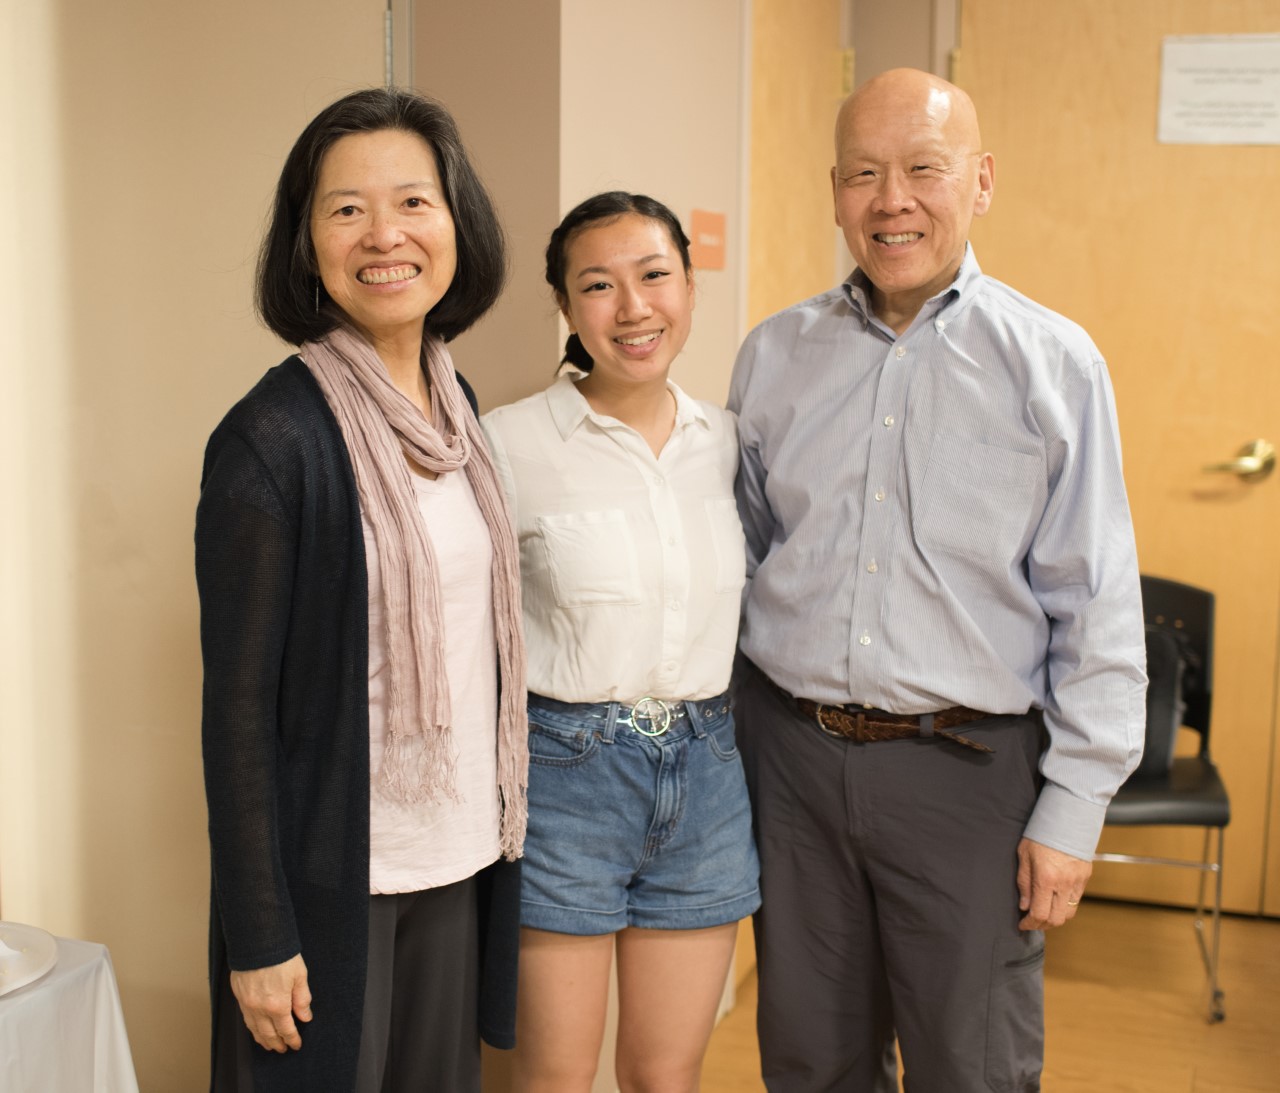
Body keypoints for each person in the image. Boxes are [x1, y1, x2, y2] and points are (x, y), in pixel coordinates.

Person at [727, 68, 1147, 1091]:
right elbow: (736, 561)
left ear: (981, 181)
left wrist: (1071, 809)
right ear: (834, 191)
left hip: (967, 774)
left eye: (923, 168)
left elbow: (1094, 600)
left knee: (973, 1065)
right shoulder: (772, 356)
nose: (891, 200)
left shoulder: (1053, 362)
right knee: (808, 1058)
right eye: (862, 174)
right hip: (789, 764)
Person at [195, 87, 528, 1093]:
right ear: (307, 243)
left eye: (412, 203)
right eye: (345, 209)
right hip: (336, 877)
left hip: (458, 852)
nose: (383, 234)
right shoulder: (272, 438)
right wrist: (257, 933)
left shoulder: (457, 408)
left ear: (456, 222)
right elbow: (238, 709)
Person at [481, 192, 761, 1093]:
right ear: (566, 307)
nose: (633, 308)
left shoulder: (733, 443)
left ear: (689, 283)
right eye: (597, 285)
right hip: (567, 776)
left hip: (709, 773)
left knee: (665, 1075)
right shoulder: (509, 444)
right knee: (554, 1078)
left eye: (654, 276)